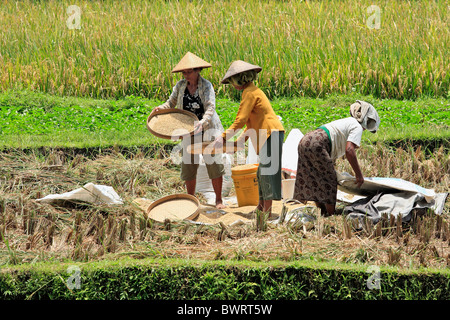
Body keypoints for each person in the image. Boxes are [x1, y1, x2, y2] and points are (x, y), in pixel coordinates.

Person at [151, 52, 226, 209]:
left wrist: (202, 122)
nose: (186, 75)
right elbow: (171, 102)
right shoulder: (180, 86)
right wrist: (161, 108)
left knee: (213, 162)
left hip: (208, 129)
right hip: (188, 130)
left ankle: (218, 200)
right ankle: (191, 199)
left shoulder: (206, 86)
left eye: (189, 72)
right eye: (184, 72)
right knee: (189, 163)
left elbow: (210, 108)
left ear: (198, 70)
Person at [214, 60, 285, 217]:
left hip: (270, 133)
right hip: (267, 134)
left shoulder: (250, 93)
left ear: (239, 79)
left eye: (232, 82)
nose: (232, 85)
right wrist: (241, 140)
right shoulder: (252, 91)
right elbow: (250, 122)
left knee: (268, 172)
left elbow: (241, 119)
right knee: (261, 172)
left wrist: (224, 137)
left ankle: (267, 212)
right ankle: (261, 207)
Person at [293, 100, 380, 216]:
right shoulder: (357, 127)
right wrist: (358, 174)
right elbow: (349, 150)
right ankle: (331, 215)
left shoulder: (347, 122)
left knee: (315, 177)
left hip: (306, 140)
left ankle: (323, 212)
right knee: (330, 179)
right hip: (318, 142)